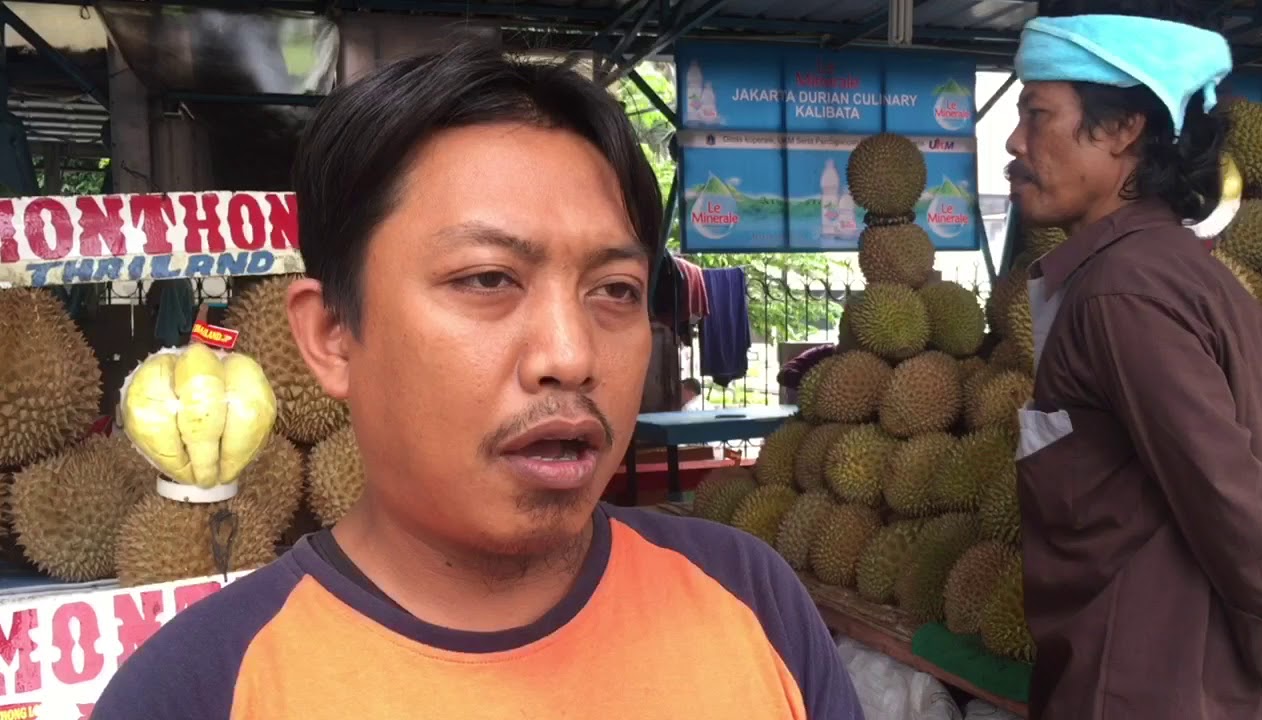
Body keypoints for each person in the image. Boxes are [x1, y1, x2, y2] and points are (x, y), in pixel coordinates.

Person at [89, 45, 861, 720]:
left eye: (615, 290)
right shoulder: (194, 691)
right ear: (331, 336)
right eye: (488, 278)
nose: (570, 353)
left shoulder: (751, 599)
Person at [1007, 10, 1262, 720]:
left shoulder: (1121, 293)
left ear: (1125, 128)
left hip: (1142, 685)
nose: (1015, 141)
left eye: (1037, 115)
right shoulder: (1184, 271)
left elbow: (1228, 496)